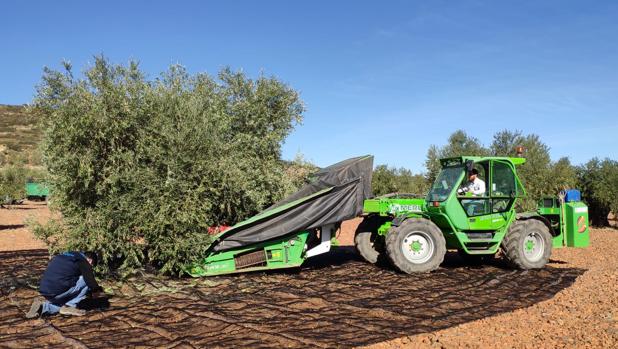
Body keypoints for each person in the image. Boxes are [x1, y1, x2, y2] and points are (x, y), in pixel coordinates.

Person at [26, 251, 104, 318]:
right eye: (91, 266)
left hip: (45, 291)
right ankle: (69, 306)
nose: (90, 267)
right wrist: (97, 293)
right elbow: (90, 281)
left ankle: (42, 307)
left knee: (61, 305)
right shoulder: (82, 260)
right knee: (85, 279)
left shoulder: (66, 255)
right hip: (57, 291)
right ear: (90, 261)